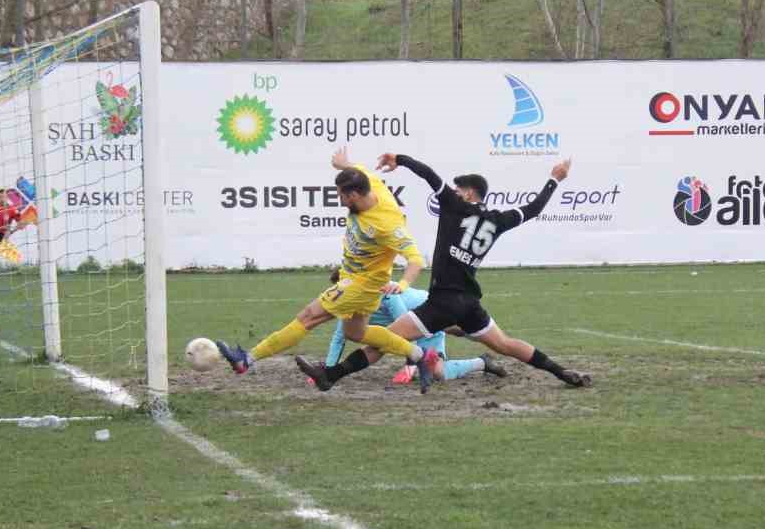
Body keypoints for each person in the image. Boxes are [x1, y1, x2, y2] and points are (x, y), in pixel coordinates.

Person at [296, 153, 590, 391]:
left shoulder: (454, 206)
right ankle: (560, 371)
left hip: (441, 302)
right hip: (468, 303)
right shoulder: (499, 220)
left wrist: (400, 159)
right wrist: (555, 178)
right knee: (506, 344)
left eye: (459, 189)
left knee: (382, 341)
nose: (454, 191)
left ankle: (331, 376)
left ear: (469, 193)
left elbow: (429, 175)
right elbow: (535, 208)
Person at [211, 148, 436, 389]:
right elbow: (360, 171)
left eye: (341, 196)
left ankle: (247, 359)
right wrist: (344, 164)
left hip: (360, 285)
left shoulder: (388, 224)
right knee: (356, 334)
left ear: (353, 196)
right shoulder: (370, 184)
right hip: (359, 281)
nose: (339, 200)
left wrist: (402, 285)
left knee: (308, 317)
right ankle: (420, 355)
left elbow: (415, 259)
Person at [319, 269, 506, 386]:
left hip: (432, 314)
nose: (339, 293)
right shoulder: (349, 304)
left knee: (457, 329)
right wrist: (327, 367)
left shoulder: (384, 291)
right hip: (416, 324)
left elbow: (407, 325)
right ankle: (482, 362)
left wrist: (410, 367)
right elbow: (339, 336)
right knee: (439, 374)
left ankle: (484, 334)